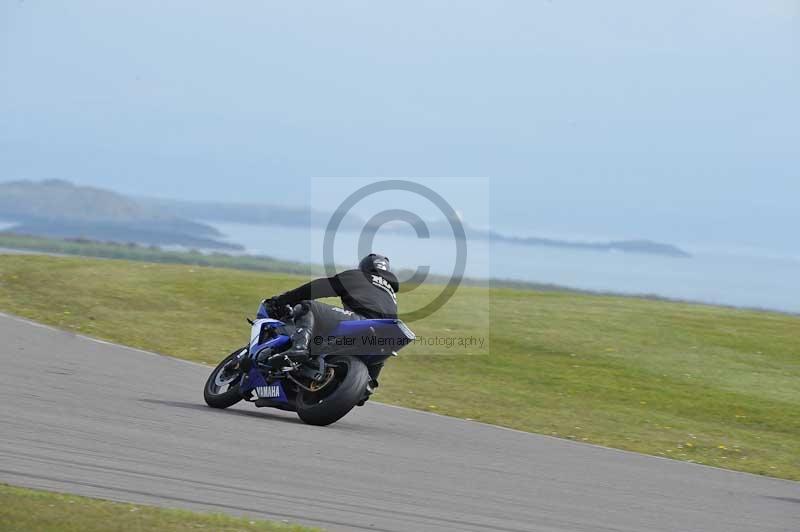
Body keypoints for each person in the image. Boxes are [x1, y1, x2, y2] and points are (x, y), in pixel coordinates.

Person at [262, 253, 399, 386]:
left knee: (308, 306)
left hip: (361, 322)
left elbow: (319, 287)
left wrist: (282, 300)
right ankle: (368, 384)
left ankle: (299, 347)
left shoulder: (360, 276)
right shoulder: (391, 293)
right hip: (386, 335)